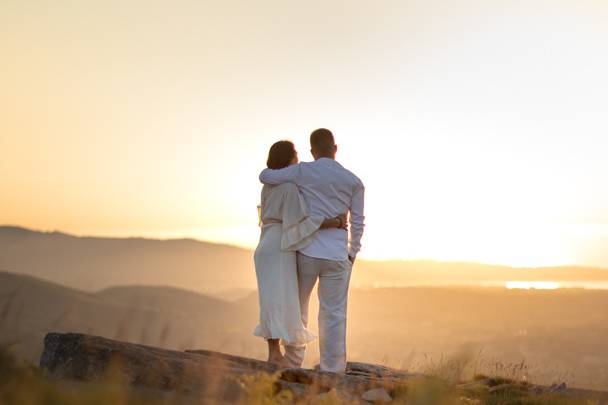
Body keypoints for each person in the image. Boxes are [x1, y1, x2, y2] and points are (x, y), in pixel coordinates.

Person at [259, 129, 365, 373]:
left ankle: (293, 362)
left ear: (312, 151)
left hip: (306, 251)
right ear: (335, 148)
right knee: (334, 313)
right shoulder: (353, 181)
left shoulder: (303, 170)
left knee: (299, 308)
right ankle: (332, 369)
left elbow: (265, 175)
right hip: (338, 255)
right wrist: (352, 253)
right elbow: (358, 222)